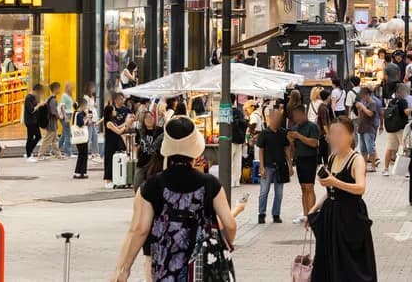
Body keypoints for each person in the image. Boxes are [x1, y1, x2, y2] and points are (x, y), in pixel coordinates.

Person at [111, 116, 237, 282]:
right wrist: (223, 242)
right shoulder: (210, 184)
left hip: (166, 270)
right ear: (195, 150)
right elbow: (229, 224)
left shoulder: (151, 186)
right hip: (202, 270)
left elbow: (138, 230)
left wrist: (123, 270)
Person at [308, 117, 377, 282]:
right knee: (328, 261)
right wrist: (315, 207)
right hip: (331, 215)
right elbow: (331, 190)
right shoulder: (332, 157)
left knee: (351, 266)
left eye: (340, 133)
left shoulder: (356, 160)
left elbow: (361, 188)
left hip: (351, 217)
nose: (336, 138)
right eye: (332, 133)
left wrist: (335, 182)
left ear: (351, 136)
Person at [256, 107, 292, 224]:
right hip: (267, 165)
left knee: (279, 192)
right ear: (270, 118)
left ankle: (276, 214)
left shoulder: (283, 133)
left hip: (280, 165)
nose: (278, 120)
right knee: (264, 191)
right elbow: (261, 150)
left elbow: (287, 149)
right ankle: (261, 214)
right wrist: (261, 166)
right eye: (276, 117)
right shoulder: (264, 133)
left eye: (279, 118)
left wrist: (290, 165)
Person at [288, 105, 321, 224]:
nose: (296, 118)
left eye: (297, 115)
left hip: (310, 158)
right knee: (303, 188)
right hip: (300, 159)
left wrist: (299, 136)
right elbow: (293, 148)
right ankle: (305, 213)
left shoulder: (312, 127)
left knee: (309, 187)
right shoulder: (295, 127)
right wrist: (291, 141)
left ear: (303, 114)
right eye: (294, 116)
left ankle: (311, 214)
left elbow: (314, 143)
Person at [382, 83, 412, 176]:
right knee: (405, 149)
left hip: (392, 128)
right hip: (401, 129)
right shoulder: (403, 101)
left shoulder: (392, 101)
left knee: (390, 148)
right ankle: (407, 171)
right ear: (401, 91)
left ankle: (386, 169)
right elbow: (406, 112)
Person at [133, 109, 162, 189]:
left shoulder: (160, 131)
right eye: (147, 118)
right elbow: (137, 146)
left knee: (153, 187)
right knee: (137, 185)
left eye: (151, 117)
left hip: (154, 163)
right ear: (143, 120)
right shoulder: (140, 131)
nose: (149, 119)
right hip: (142, 162)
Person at [354, 88, 382, 171]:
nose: (362, 97)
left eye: (363, 95)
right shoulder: (364, 102)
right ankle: (364, 166)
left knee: (370, 148)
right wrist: (358, 124)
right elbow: (360, 115)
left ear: (368, 94)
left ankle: (373, 166)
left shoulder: (372, 103)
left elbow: (370, 114)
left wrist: (362, 107)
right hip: (362, 128)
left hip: (369, 128)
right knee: (363, 149)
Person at [37, 82, 63, 160]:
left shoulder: (50, 98)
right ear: (55, 89)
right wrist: (58, 116)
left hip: (51, 122)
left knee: (55, 140)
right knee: (47, 139)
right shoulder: (53, 100)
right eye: (58, 88)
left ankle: (58, 155)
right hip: (51, 122)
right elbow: (53, 111)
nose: (59, 90)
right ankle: (40, 155)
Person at [23, 84, 43, 161]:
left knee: (34, 137)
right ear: (36, 91)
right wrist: (39, 105)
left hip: (34, 120)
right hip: (30, 121)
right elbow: (31, 110)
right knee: (33, 137)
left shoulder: (33, 97)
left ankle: (29, 152)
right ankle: (28, 154)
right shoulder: (28, 98)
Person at [73, 98, 90, 179]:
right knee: (84, 154)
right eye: (86, 105)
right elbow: (81, 124)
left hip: (78, 136)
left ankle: (78, 172)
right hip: (81, 136)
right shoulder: (79, 114)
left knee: (81, 154)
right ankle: (82, 172)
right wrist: (86, 117)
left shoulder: (75, 113)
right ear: (82, 105)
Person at [58, 81, 76, 158]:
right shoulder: (64, 96)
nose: (72, 88)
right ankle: (68, 152)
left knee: (64, 134)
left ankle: (55, 150)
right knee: (68, 134)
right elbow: (62, 107)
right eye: (71, 87)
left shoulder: (69, 95)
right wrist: (65, 117)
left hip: (69, 114)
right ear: (67, 87)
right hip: (66, 115)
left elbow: (72, 104)